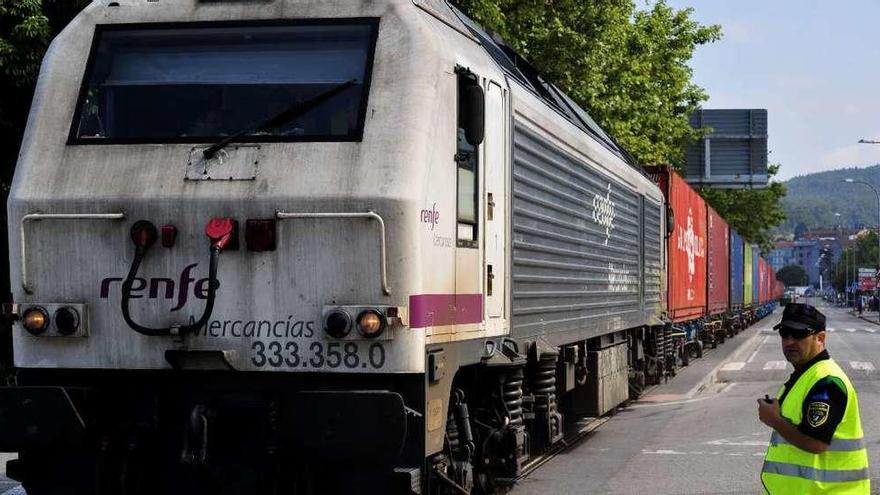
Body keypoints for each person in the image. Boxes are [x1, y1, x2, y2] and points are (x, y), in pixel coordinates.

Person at [757, 303, 869, 494]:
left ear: (820, 338)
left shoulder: (826, 381)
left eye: (799, 334)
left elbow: (816, 443)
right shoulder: (806, 375)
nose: (789, 341)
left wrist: (774, 419)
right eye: (785, 333)